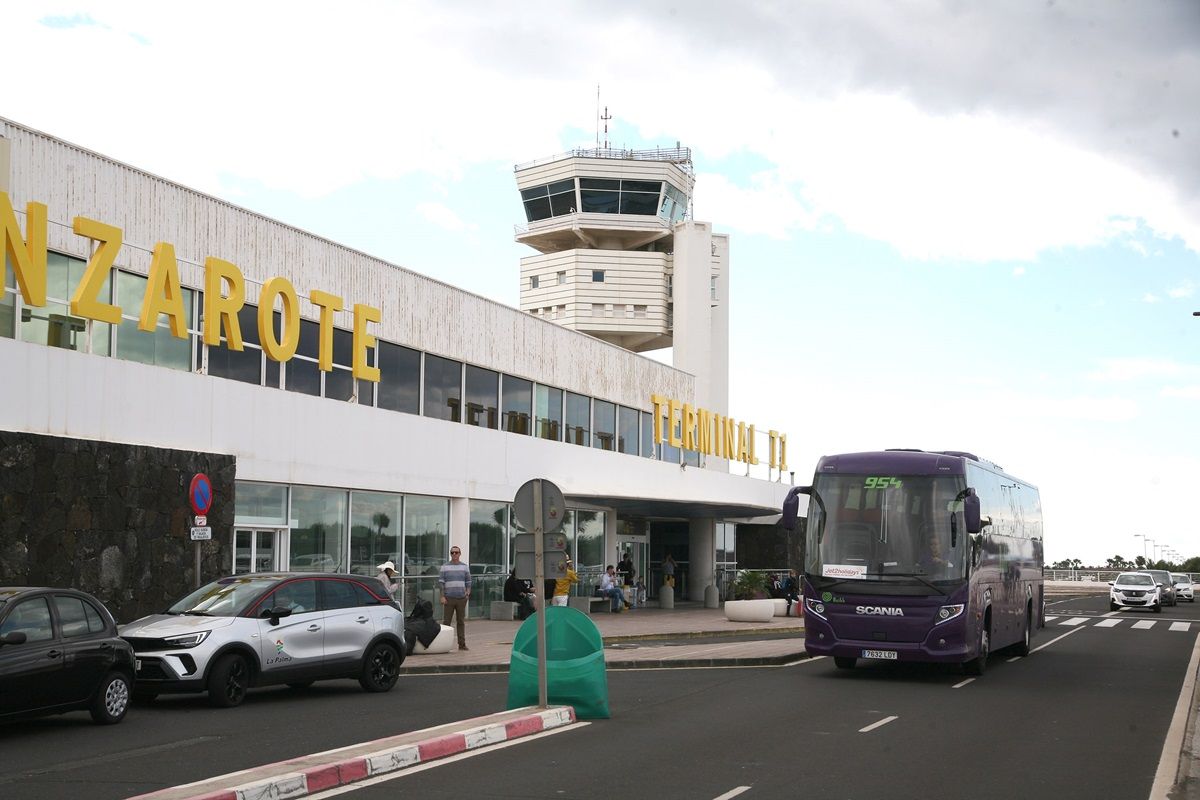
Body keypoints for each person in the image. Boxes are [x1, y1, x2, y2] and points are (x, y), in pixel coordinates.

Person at [438, 546, 472, 650]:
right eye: (452, 553)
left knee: (460, 622)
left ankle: (462, 644)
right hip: (449, 598)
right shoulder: (444, 567)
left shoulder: (465, 567)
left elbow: (468, 581)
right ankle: (444, 644)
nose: (454, 554)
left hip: (461, 598)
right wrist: (442, 596)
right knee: (447, 622)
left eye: (456, 552)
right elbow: (441, 583)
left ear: (460, 554)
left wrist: (467, 593)